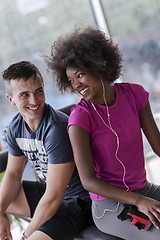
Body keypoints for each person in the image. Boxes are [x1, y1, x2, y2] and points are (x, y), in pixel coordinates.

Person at [47, 27, 160, 240]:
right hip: (110, 207)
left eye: (80, 75)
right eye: (71, 80)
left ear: (100, 63)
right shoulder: (80, 118)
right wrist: (137, 201)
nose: (76, 84)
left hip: (143, 190)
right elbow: (88, 180)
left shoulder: (135, 95)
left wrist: (141, 197)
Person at [0, 61, 93, 240]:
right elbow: (12, 174)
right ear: (11, 99)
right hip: (50, 193)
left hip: (78, 203)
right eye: (24, 95)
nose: (34, 101)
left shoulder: (56, 129)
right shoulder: (15, 127)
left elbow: (54, 196)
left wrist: (26, 235)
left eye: (39, 91)